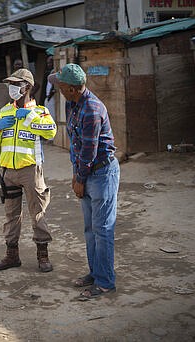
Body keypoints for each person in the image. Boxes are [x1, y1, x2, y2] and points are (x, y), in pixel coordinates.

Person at [49, 64, 120, 299]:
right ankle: (95, 272)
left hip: (101, 174)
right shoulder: (73, 103)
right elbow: (76, 144)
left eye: (61, 86)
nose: (57, 89)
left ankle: (105, 282)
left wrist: (79, 178)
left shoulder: (91, 108)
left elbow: (89, 150)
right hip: (86, 171)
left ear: (72, 88)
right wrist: (75, 173)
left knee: (103, 230)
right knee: (91, 229)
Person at [0, 68, 57, 272]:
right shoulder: (4, 111)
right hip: (8, 170)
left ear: (28, 87)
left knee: (38, 213)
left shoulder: (41, 111)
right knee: (11, 215)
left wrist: (30, 117)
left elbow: (51, 132)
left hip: (31, 170)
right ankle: (11, 255)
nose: (12, 88)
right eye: (11, 84)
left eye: (16, 84)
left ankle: (43, 256)